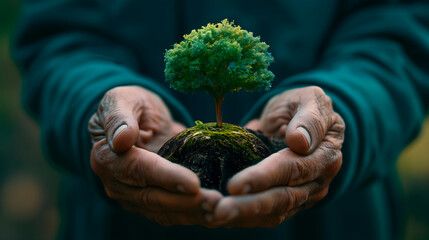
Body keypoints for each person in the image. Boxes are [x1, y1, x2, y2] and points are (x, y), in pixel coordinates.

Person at [13, 0, 429, 239]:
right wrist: (95, 102)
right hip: (118, 225)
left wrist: (346, 110)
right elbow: (60, 34)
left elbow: (401, 31)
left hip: (336, 224)